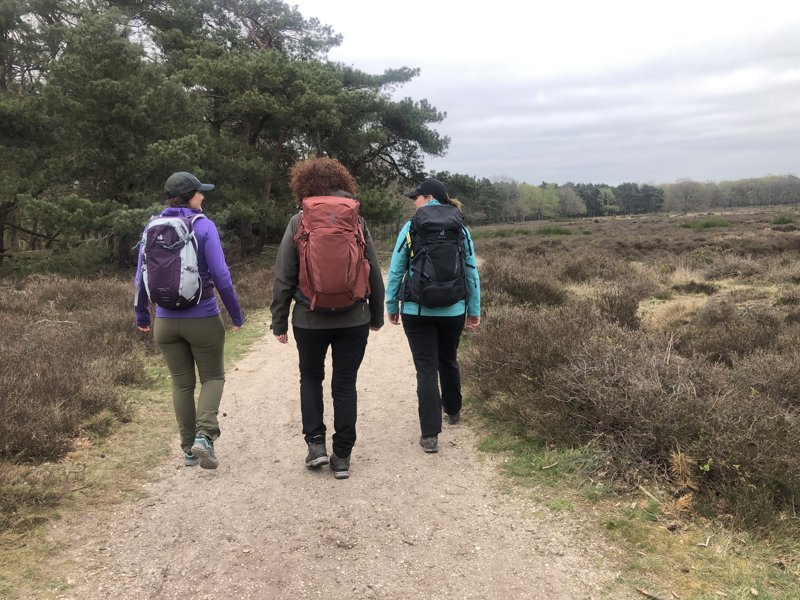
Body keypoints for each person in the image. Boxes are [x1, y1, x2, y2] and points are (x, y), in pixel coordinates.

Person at [271, 157, 385, 480]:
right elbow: (373, 271)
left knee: (310, 378)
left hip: (309, 319)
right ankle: (343, 456)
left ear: (304, 186)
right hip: (354, 318)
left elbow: (283, 276)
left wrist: (279, 321)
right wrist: (376, 315)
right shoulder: (356, 221)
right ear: (343, 184)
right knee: (345, 383)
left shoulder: (299, 221)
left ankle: (316, 446)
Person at [134, 171, 244, 469]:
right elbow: (221, 275)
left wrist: (142, 315)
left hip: (164, 323)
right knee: (213, 377)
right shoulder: (203, 226)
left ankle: (188, 449)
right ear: (189, 197)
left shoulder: (152, 226)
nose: (203, 196)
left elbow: (140, 277)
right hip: (203, 318)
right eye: (199, 192)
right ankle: (204, 436)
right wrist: (236, 315)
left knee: (181, 384)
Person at [386, 178, 481, 454]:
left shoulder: (411, 227)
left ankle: (429, 436)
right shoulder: (460, 228)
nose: (414, 202)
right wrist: (473, 309)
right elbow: (471, 271)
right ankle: (453, 411)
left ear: (428, 198)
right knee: (448, 359)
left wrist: (392, 305)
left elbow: (396, 269)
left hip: (417, 310)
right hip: (454, 310)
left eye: (417, 197)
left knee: (426, 369)